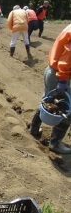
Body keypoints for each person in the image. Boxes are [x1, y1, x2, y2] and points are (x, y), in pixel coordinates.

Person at [29, 24, 71, 154]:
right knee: (66, 108)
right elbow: (68, 57)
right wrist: (63, 79)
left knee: (47, 100)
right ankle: (55, 143)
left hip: (53, 70)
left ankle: (34, 129)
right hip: (59, 74)